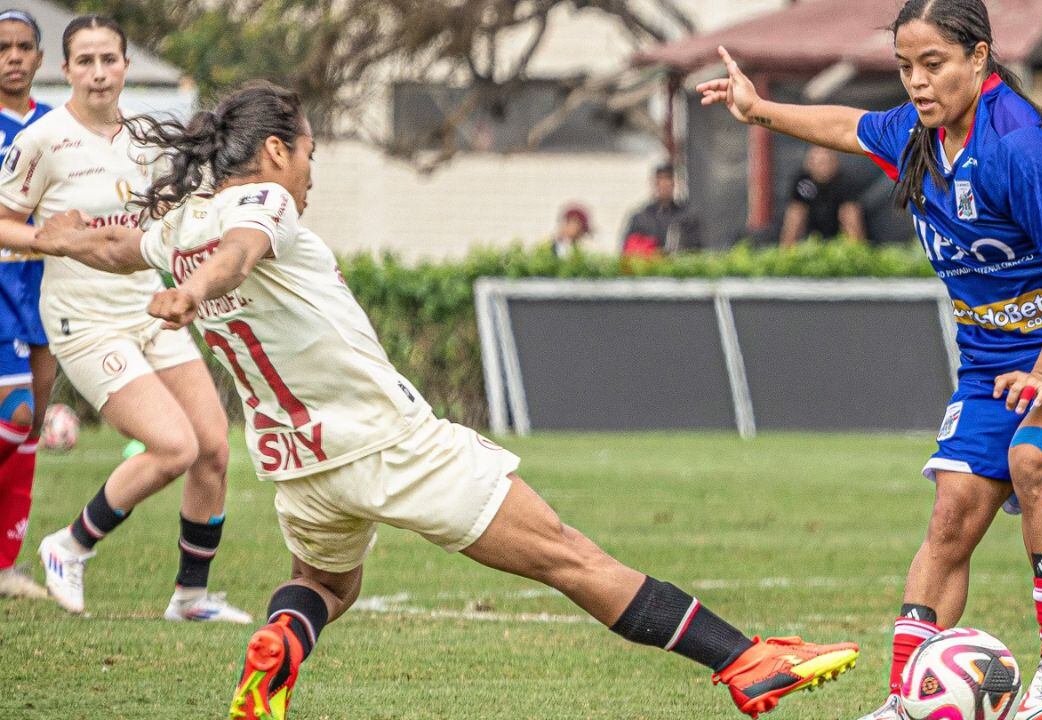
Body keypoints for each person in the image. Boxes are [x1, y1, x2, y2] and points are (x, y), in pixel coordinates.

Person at [34, 81, 860, 720]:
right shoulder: (264, 202)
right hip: (389, 444)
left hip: (297, 465)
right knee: (571, 557)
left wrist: (60, 236)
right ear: (279, 150)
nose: (312, 172)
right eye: (311, 153)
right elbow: (243, 252)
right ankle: (745, 662)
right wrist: (196, 292)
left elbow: (118, 245)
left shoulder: (180, 222)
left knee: (326, 585)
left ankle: (281, 640)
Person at [697, 0, 1042, 718]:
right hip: (994, 361)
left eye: (933, 65)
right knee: (951, 512)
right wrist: (758, 108)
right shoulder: (918, 133)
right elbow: (844, 128)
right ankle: (901, 698)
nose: (916, 83)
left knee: (1034, 456)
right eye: (904, 67)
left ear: (979, 58)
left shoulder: (1021, 146)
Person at [0, 14, 248, 623]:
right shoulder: (42, 139)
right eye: (84, 61)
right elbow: (4, 223)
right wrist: (49, 241)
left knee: (213, 448)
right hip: (83, 322)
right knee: (173, 446)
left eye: (109, 59)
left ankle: (191, 597)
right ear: (66, 71)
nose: (98, 72)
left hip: (148, 311)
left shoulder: (145, 136)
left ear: (126, 67)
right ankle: (69, 546)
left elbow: (166, 220)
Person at [0, 8, 51, 601]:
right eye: (3, 47)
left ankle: (6, 562)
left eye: (23, 47)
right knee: (12, 413)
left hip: (45, 287)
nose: (13, 56)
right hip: (0, 288)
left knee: (33, 420)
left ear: (40, 58)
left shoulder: (55, 124)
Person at [779, 145, 865, 246]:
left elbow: (851, 213)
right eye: (818, 163)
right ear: (809, 164)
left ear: (834, 163)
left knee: (850, 212)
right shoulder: (803, 181)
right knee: (795, 213)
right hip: (810, 231)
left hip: (836, 229)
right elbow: (795, 211)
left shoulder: (844, 181)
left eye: (826, 162)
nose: (822, 167)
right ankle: (787, 254)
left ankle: (857, 251)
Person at [621, 163, 701, 255]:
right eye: (660, 180)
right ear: (654, 184)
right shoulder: (641, 218)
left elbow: (696, 251)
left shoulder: (686, 217)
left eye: (667, 180)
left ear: (674, 184)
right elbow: (628, 251)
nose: (664, 185)